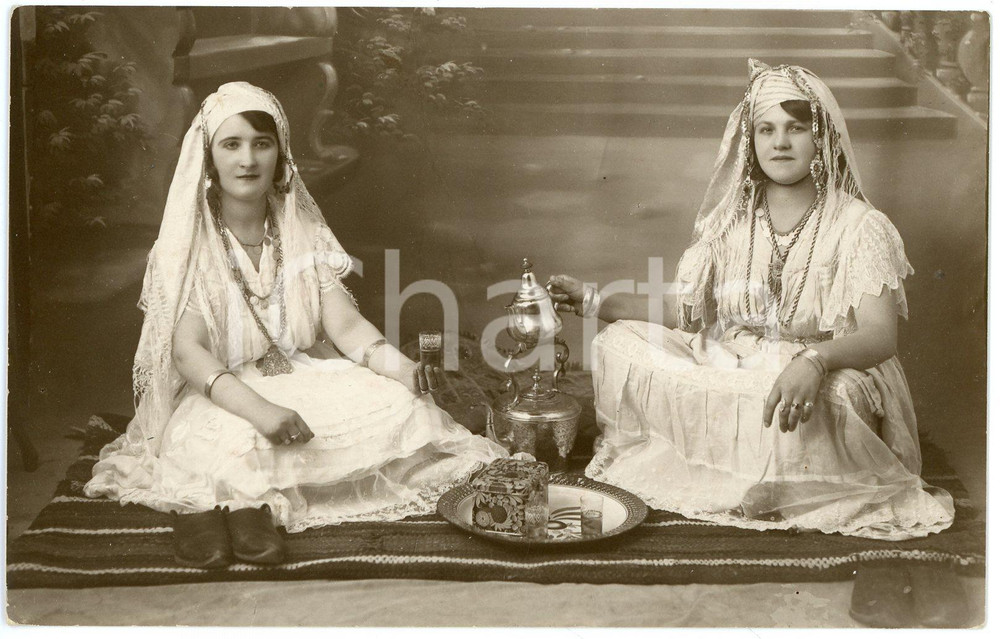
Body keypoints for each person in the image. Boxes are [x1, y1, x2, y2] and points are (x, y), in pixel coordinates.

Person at [85, 82, 507, 568]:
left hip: (306, 373)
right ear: (208, 160)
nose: (248, 159)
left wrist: (404, 369)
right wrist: (260, 409)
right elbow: (188, 352)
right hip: (224, 390)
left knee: (406, 409)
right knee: (240, 439)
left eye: (262, 144)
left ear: (281, 155)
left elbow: (347, 328)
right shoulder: (187, 246)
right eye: (232, 144)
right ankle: (217, 510)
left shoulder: (299, 231)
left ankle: (254, 504)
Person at [547, 60, 955, 543]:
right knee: (620, 343)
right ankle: (758, 473)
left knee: (837, 399)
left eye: (796, 128)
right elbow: (686, 312)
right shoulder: (732, 222)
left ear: (821, 136)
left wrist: (815, 361)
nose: (780, 143)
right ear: (751, 141)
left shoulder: (860, 226)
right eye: (766, 129)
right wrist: (593, 300)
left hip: (831, 366)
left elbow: (879, 335)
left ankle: (774, 478)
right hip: (735, 360)